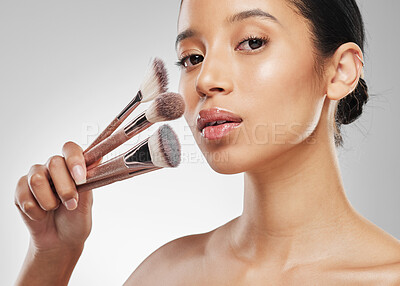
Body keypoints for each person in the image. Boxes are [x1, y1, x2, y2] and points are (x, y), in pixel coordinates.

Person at [15, 0, 400, 285]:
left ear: (341, 71)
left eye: (251, 42)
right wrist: (52, 257)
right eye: (192, 57)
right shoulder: (164, 275)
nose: (204, 79)